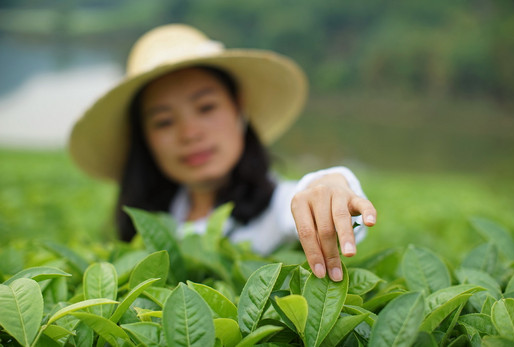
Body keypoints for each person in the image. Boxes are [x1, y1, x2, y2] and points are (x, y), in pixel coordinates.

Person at [69, 24, 377, 282]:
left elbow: (304, 200)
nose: (190, 133)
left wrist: (331, 186)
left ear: (238, 108)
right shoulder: (153, 222)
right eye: (163, 121)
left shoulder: (277, 209)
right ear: (145, 139)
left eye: (206, 107)